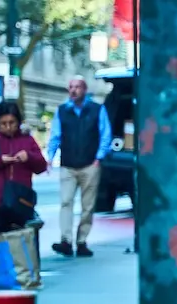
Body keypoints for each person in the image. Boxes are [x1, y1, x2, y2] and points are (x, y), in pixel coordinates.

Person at [0, 101, 48, 290]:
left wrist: (29, 157)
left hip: (19, 200)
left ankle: (18, 274)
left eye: (12, 123)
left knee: (19, 237)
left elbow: (41, 166)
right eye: (3, 123)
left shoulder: (27, 141)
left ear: (18, 122)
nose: (8, 127)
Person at [46, 76, 112, 258]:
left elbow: (105, 134)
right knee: (66, 202)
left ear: (84, 89)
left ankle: (82, 241)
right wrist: (50, 157)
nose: (73, 90)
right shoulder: (62, 111)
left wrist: (99, 157)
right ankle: (66, 241)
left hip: (90, 164)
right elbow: (56, 135)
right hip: (68, 165)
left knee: (87, 206)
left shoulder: (97, 109)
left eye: (77, 87)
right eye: (71, 87)